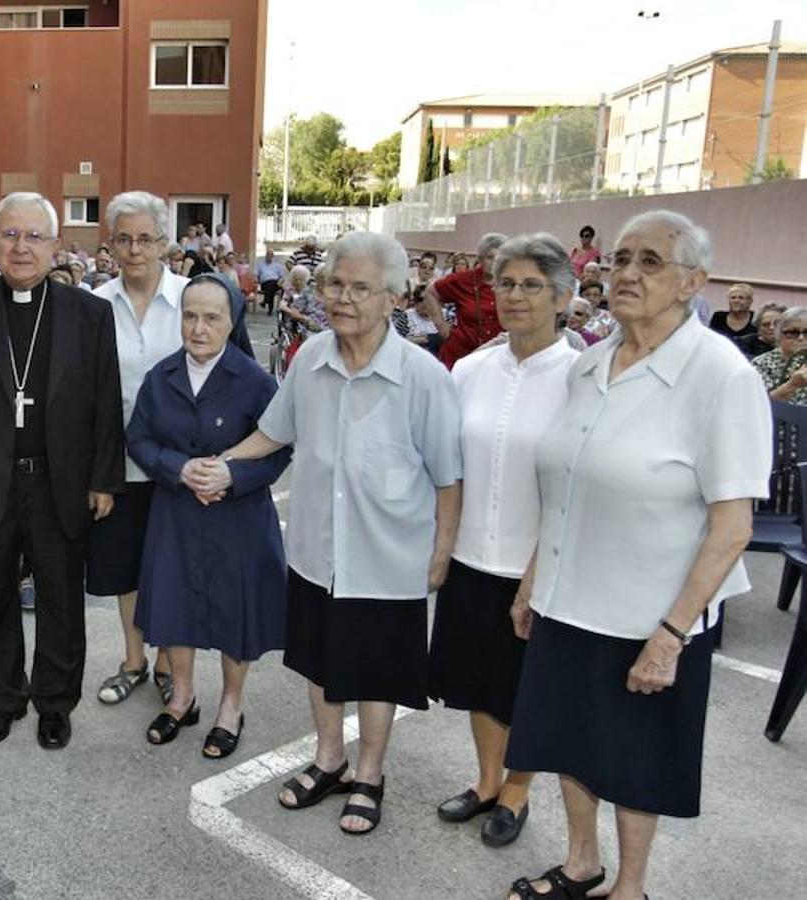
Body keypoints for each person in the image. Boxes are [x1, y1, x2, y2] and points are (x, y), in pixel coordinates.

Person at [503, 210, 771, 900]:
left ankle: (631, 887)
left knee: (634, 761)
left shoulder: (721, 377)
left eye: (650, 262)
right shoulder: (590, 363)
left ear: (694, 283)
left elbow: (732, 525)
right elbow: (562, 486)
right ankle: (581, 863)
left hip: (648, 616)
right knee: (566, 743)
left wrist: (672, 634)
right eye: (620, 259)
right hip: (568, 599)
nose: (626, 273)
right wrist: (534, 581)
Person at [225, 231, 462, 835]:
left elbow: (448, 475)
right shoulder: (310, 360)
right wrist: (225, 462)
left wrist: (441, 551)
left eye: (360, 287)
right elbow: (275, 431)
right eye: (335, 284)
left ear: (393, 297)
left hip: (388, 558)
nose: (343, 298)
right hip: (315, 552)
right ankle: (329, 758)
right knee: (321, 663)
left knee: (376, 670)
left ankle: (370, 773)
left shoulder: (422, 376)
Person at [0, 192, 124, 750]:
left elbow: (106, 403)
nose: (21, 247)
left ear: (55, 246)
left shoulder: (89, 314)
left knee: (61, 598)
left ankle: (56, 702)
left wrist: (104, 479)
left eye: (34, 236)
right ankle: (4, 699)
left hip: (59, 481)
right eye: (10, 234)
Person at [429, 233, 580, 849]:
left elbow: (575, 485)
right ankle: (488, 779)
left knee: (526, 687)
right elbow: (450, 466)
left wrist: (536, 572)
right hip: (471, 555)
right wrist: (442, 546)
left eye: (532, 285)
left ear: (563, 296)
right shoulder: (469, 370)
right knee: (479, 680)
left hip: (537, 562)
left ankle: (517, 790)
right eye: (506, 283)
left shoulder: (582, 377)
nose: (515, 296)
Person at [128, 274, 290, 758]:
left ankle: (231, 707)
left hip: (237, 519)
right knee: (176, 608)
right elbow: (139, 439)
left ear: (232, 320)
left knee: (234, 613)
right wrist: (179, 468)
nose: (199, 328)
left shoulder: (258, 382)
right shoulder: (161, 378)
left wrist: (231, 477)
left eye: (212, 317)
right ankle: (181, 696)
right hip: (177, 513)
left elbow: (280, 450)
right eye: (190, 316)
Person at [88, 192, 185, 707]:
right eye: (124, 238)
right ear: (110, 245)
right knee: (127, 568)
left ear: (164, 243)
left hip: (177, 467)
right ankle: (133, 660)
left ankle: (171, 661)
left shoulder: (193, 299)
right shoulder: (94, 306)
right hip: (118, 464)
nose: (135, 249)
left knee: (170, 568)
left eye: (145, 238)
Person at [421, 232, 506, 369]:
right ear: (480, 259)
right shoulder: (464, 279)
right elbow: (431, 293)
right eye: (490, 257)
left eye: (500, 258)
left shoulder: (512, 283)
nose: (496, 263)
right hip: (459, 355)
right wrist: (442, 326)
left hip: (494, 358)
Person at [750, 306, 807, 405]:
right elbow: (761, 405)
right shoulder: (761, 364)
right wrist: (792, 385)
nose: (801, 338)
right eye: (792, 333)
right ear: (778, 335)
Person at [255, 248, 285, 314]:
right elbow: (256, 275)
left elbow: (282, 277)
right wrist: (256, 280)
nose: (269, 256)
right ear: (265, 255)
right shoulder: (260, 264)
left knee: (273, 286)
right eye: (268, 254)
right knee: (270, 285)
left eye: (271, 254)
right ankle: (269, 305)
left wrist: (280, 281)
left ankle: (266, 302)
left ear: (273, 256)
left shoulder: (277, 265)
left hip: (276, 283)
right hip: (264, 284)